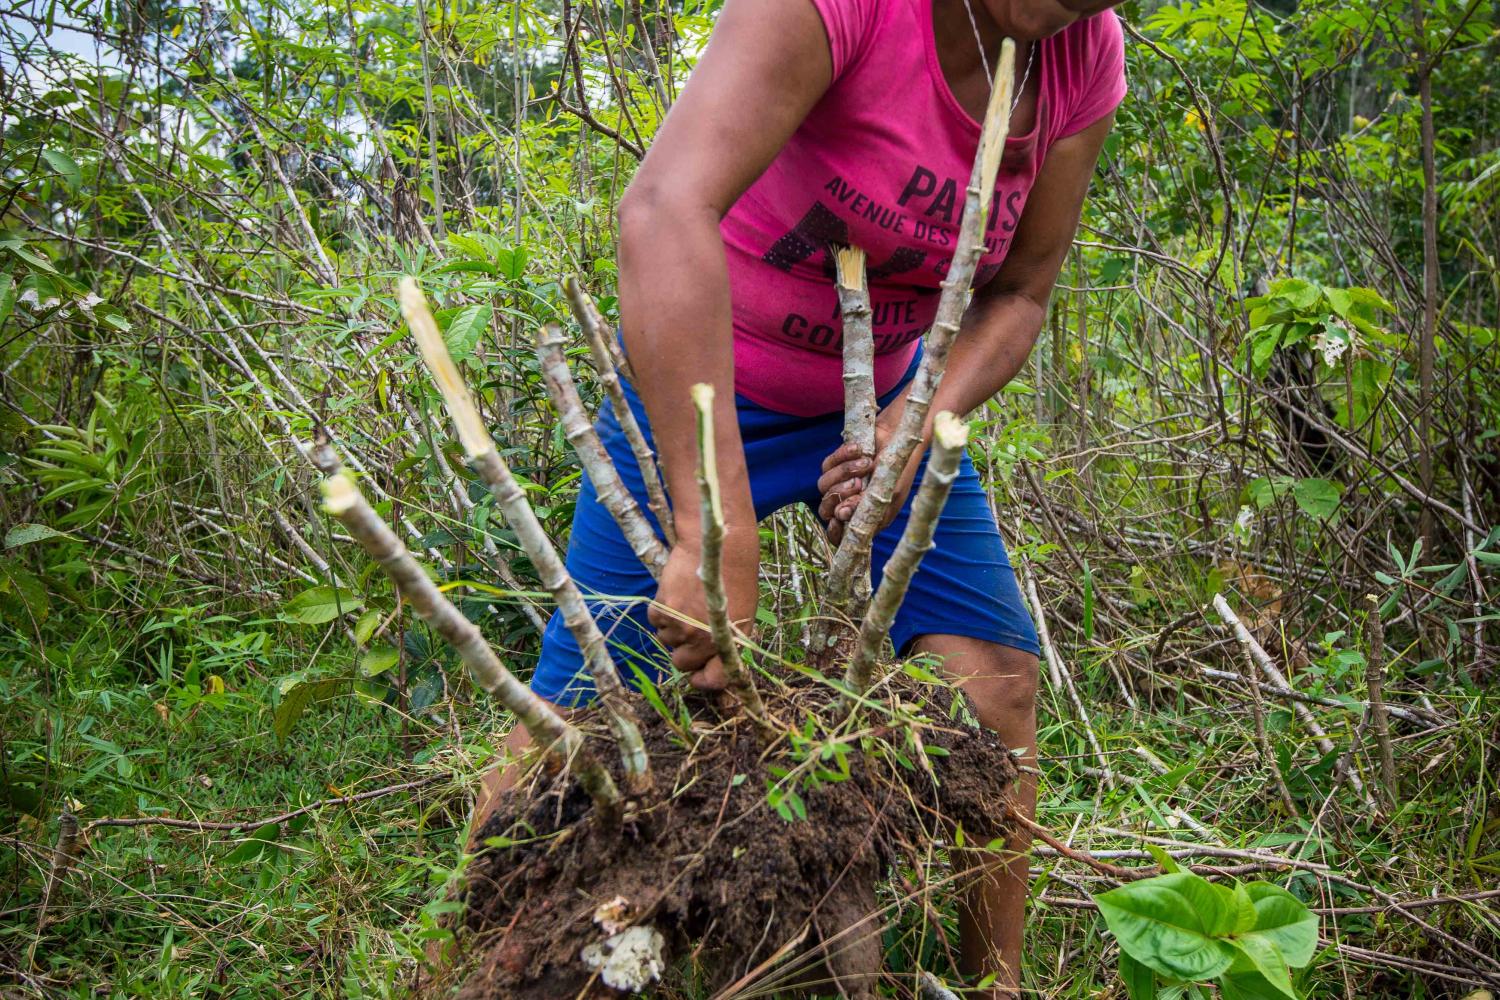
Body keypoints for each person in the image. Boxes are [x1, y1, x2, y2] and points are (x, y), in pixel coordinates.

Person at [478, 0, 1126, 995]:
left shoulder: (1083, 55)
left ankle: (996, 985)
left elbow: (1023, 292)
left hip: (881, 402)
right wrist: (712, 521)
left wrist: (917, 423)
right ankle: (472, 961)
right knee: (566, 735)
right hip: (701, 387)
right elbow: (662, 208)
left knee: (996, 686)